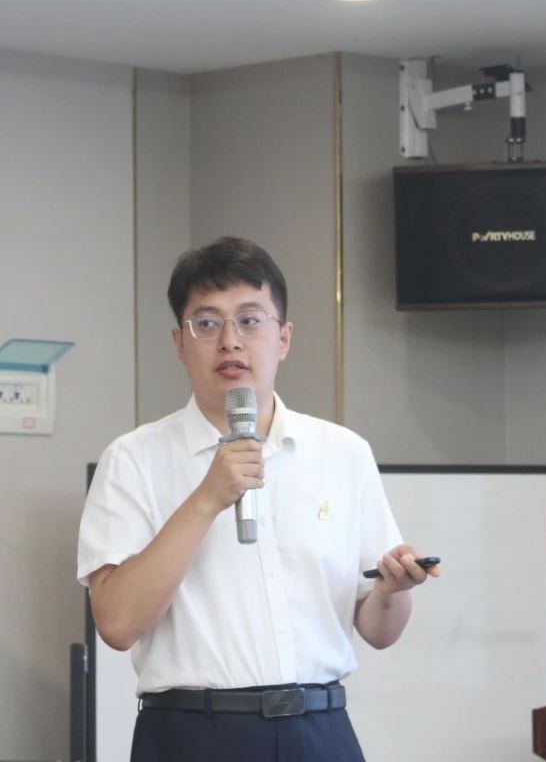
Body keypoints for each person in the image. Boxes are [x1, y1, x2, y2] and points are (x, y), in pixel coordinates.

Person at [76, 236, 438, 761]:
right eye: (207, 323)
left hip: (321, 729)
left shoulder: (343, 452)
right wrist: (206, 499)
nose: (230, 342)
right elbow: (116, 624)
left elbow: (379, 631)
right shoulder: (133, 459)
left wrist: (394, 589)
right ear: (179, 343)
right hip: (192, 734)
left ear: (284, 338)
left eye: (250, 320)